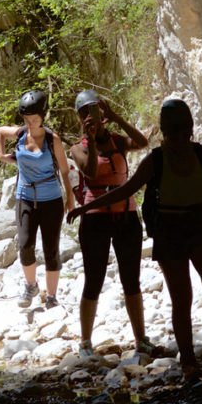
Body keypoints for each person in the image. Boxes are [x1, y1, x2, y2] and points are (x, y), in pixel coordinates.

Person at [68, 98, 202, 376]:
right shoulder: (177, 156)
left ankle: (200, 353)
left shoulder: (183, 155)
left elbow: (132, 188)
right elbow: (124, 186)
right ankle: (199, 354)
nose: (179, 134)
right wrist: (87, 206)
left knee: (195, 295)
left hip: (180, 227)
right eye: (178, 129)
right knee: (198, 294)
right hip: (187, 227)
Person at [68, 89, 158, 359]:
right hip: (95, 219)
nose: (90, 116)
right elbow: (91, 171)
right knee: (93, 279)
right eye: (84, 113)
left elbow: (143, 142)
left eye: (93, 110)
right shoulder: (77, 148)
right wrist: (92, 141)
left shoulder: (119, 141)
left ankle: (141, 338)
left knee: (132, 279)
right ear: (79, 118)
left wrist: (116, 117)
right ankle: (85, 342)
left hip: (126, 216)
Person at [0, 89, 74, 308]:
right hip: (25, 197)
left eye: (35, 119)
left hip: (51, 200)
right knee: (25, 245)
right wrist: (2, 155)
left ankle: (51, 296)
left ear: (43, 117)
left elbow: (65, 171)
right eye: (27, 119)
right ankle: (31, 285)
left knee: (51, 248)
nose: (31, 123)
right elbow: (0, 131)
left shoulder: (52, 140)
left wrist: (70, 198)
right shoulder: (20, 134)